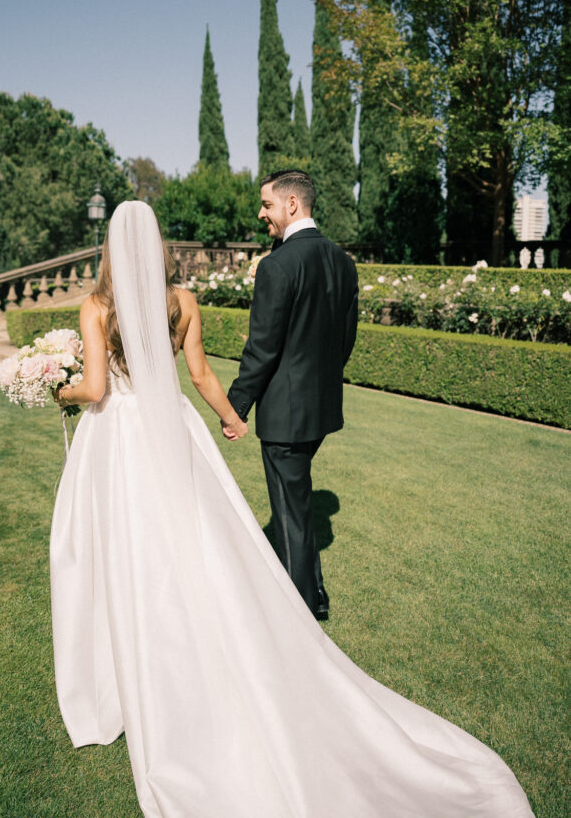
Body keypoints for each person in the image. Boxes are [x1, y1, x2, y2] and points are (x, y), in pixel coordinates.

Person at [50, 200, 534, 818]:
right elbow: (199, 375)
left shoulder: (97, 307)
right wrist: (229, 419)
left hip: (117, 439)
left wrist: (54, 386)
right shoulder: (182, 302)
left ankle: (138, 668)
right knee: (196, 541)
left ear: (109, 249)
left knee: (124, 549)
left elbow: (94, 389)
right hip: (173, 432)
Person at [226, 169, 358, 621]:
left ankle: (300, 611)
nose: (261, 213)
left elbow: (261, 349)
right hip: (320, 410)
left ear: (292, 205)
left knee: (289, 514)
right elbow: (345, 340)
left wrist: (234, 406)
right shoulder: (343, 262)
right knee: (298, 506)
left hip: (285, 415)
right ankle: (314, 595)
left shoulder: (276, 265)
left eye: (266, 204)